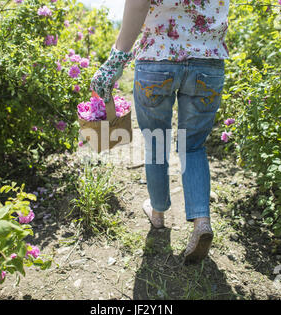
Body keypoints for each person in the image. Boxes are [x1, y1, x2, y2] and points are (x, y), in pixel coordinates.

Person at [91, 0, 229, 264]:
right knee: (193, 146)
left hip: (158, 58)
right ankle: (201, 221)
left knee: (156, 141)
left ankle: (158, 214)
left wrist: (116, 59)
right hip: (208, 63)